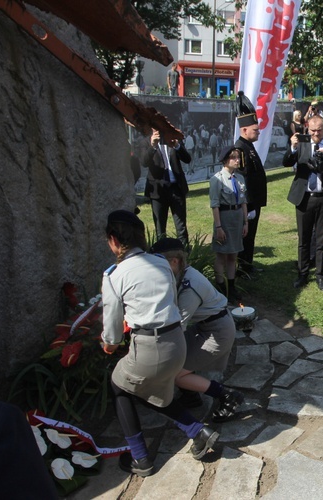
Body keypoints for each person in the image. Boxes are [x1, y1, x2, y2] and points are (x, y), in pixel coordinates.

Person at [101, 210, 218, 477]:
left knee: (120, 387)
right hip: (176, 342)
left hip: (149, 346)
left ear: (113, 240)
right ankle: (197, 431)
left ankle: (140, 458)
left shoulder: (114, 275)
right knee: (150, 390)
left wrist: (108, 344)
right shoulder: (160, 262)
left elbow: (112, 330)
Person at [149, 238, 244, 422]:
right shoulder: (181, 274)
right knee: (177, 360)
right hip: (207, 326)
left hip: (217, 332)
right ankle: (191, 395)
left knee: (175, 374)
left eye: (158, 263)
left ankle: (227, 395)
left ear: (174, 261)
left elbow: (176, 327)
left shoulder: (190, 287)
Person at [285, 116, 323, 291]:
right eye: (312, 130)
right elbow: (286, 162)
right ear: (307, 128)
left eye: (319, 130)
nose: (315, 133)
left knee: (321, 239)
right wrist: (292, 147)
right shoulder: (302, 144)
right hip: (304, 198)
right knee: (303, 239)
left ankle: (320, 275)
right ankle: (302, 274)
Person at [233, 93, 268, 276]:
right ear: (244, 130)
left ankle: (247, 264)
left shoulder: (249, 146)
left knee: (251, 235)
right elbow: (242, 180)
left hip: (254, 202)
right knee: (246, 235)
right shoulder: (240, 148)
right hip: (249, 203)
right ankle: (242, 266)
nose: (259, 132)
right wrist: (249, 205)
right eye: (255, 130)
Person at [209, 146, 248, 300]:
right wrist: (219, 227)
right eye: (233, 157)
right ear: (225, 160)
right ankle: (219, 286)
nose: (237, 160)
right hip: (224, 218)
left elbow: (244, 201)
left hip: (237, 218)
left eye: (238, 157)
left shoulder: (240, 178)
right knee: (221, 255)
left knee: (233, 254)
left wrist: (246, 222)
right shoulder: (217, 179)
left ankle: (231, 287)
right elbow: (215, 204)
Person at [142, 128, 192, 248]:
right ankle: (162, 257)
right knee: (160, 228)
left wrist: (177, 145)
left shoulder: (173, 138)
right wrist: (152, 146)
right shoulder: (146, 141)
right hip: (158, 191)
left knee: (181, 227)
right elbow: (144, 162)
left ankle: (184, 256)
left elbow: (187, 159)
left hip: (176, 189)